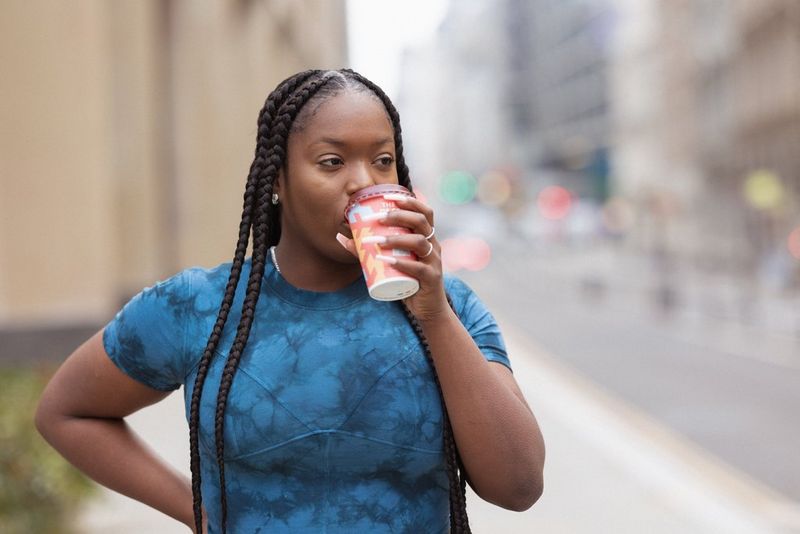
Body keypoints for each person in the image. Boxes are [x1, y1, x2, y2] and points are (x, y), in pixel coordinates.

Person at [34, 69, 545, 534]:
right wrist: (198, 512)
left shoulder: (449, 306)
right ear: (277, 180)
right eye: (332, 161)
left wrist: (431, 312)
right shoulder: (200, 305)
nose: (363, 181)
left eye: (383, 160)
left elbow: (518, 488)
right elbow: (68, 413)